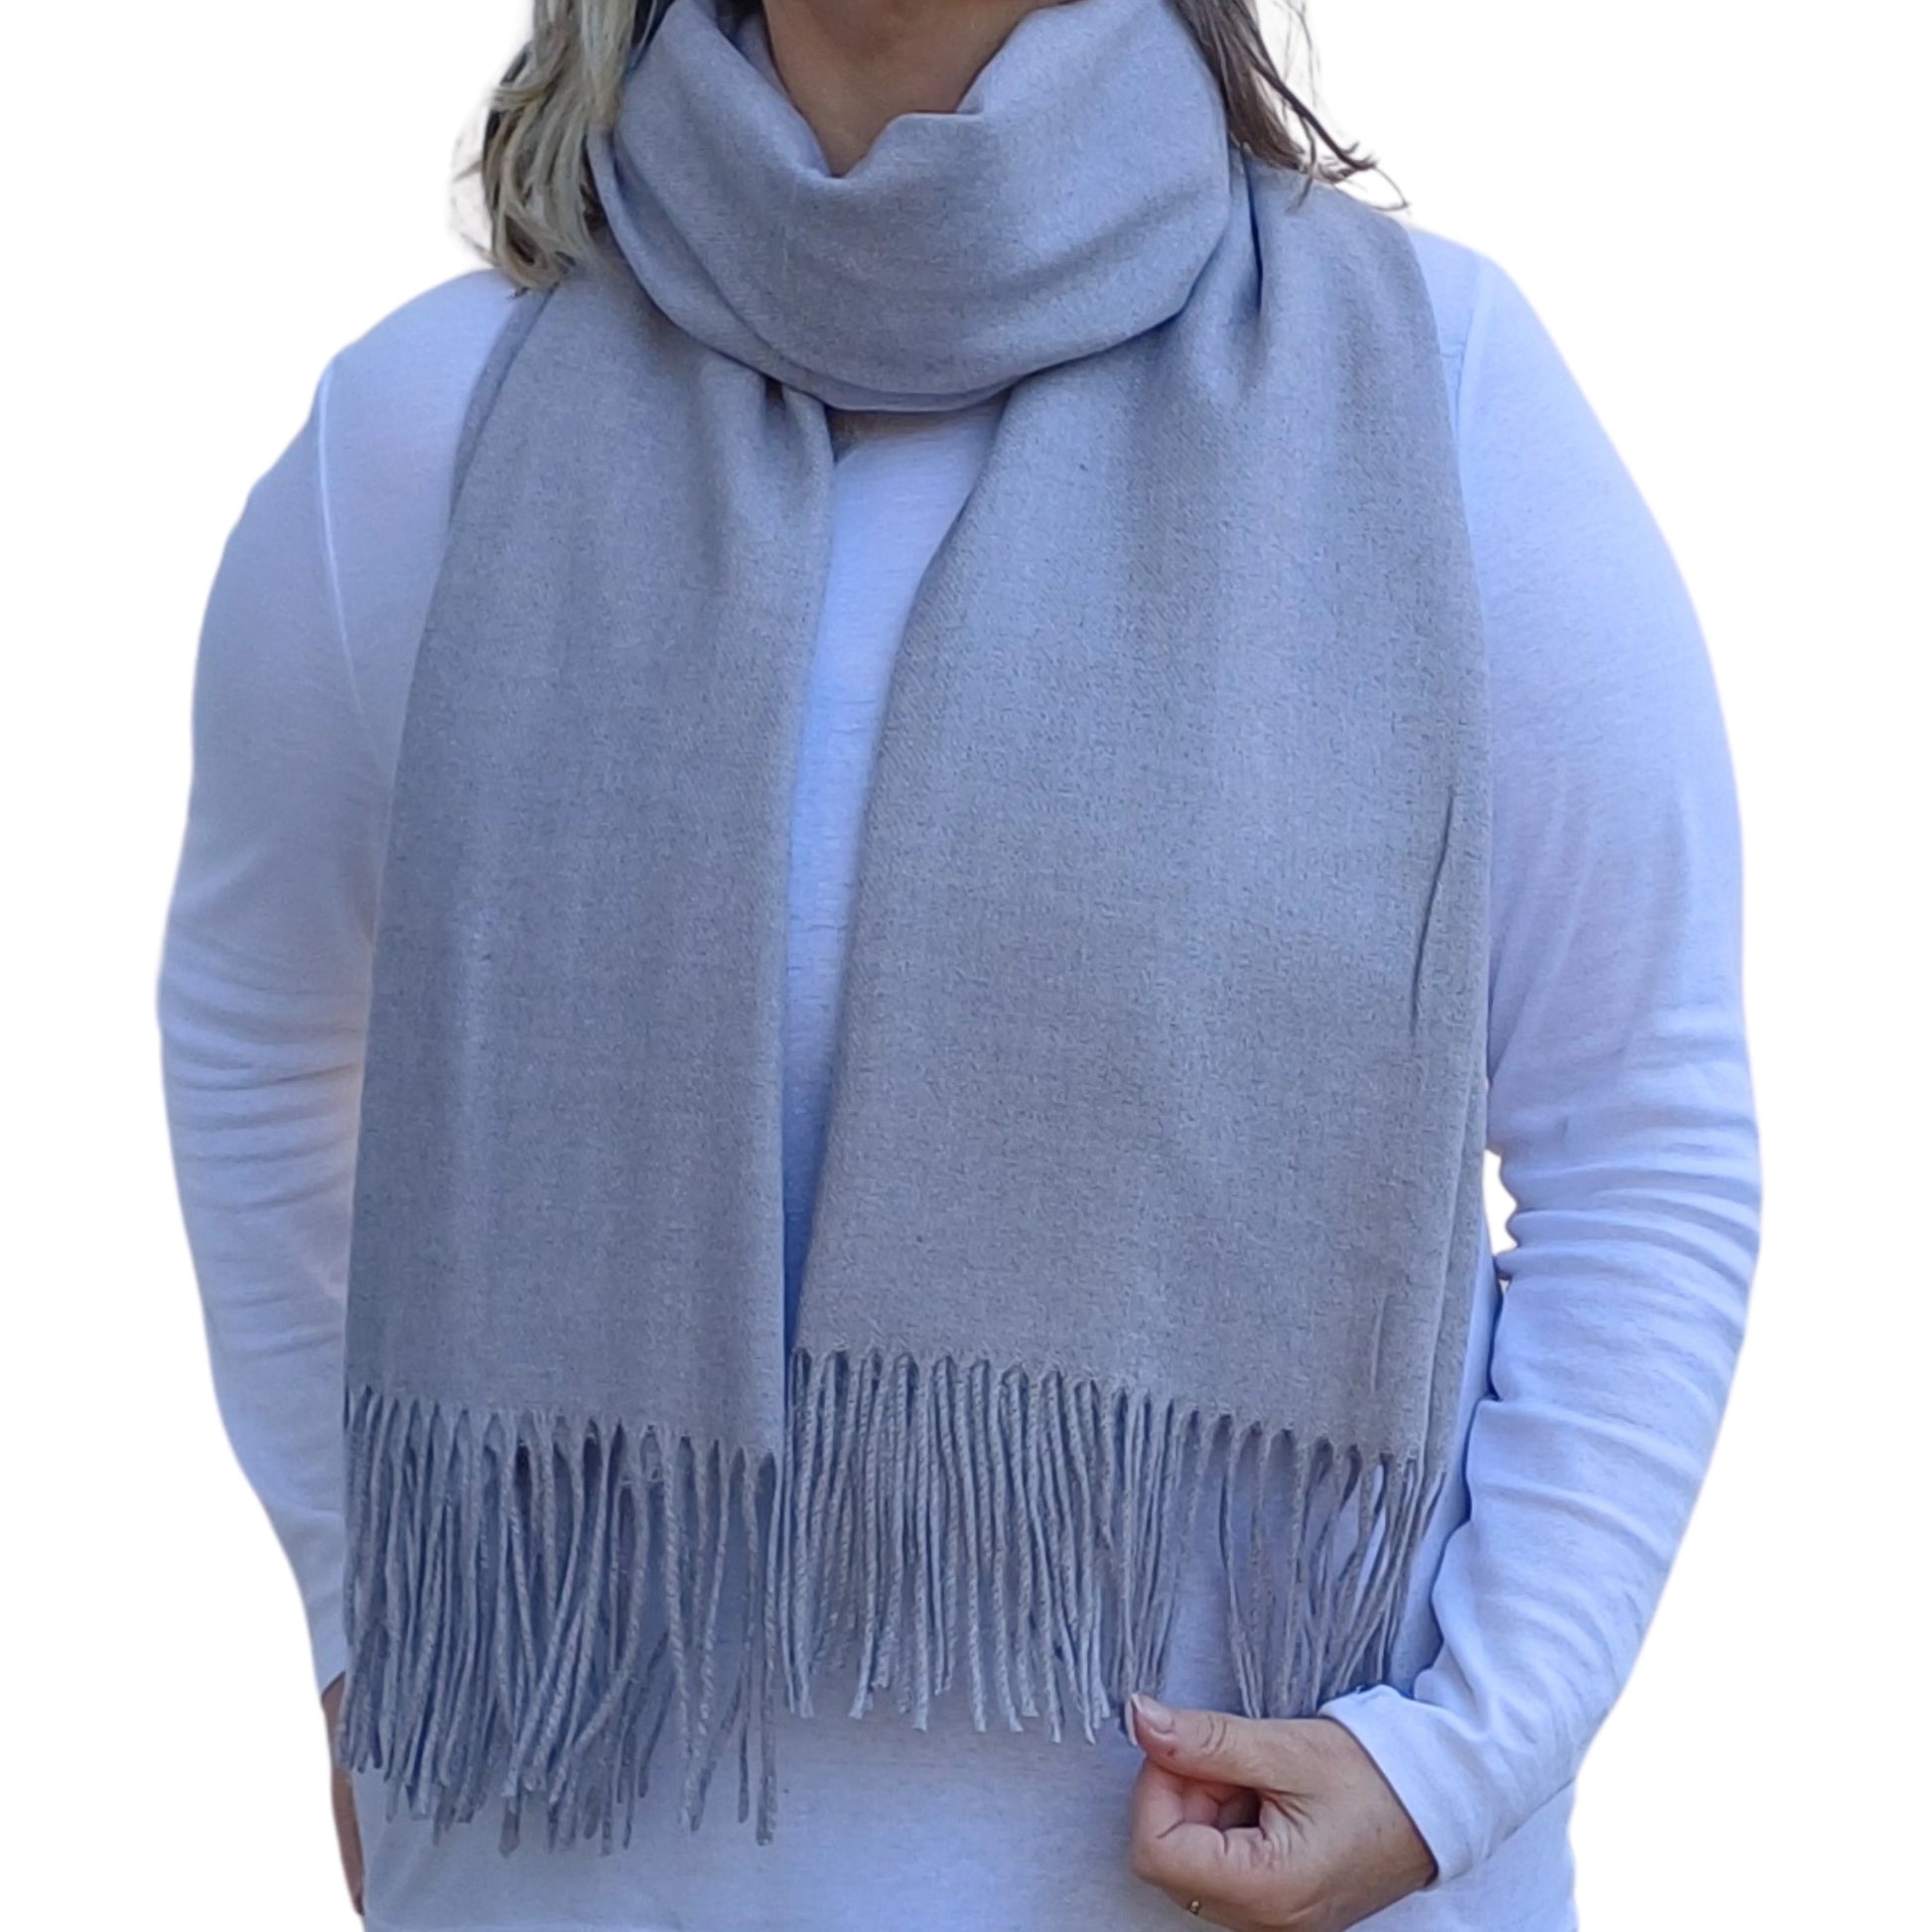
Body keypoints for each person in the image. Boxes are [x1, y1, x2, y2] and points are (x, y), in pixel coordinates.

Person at [154, 0, 1762, 1928]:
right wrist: (364, 1621)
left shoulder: (1437, 396)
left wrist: (1464, 1751)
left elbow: (1639, 1129)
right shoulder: (428, 429)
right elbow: (260, 1042)